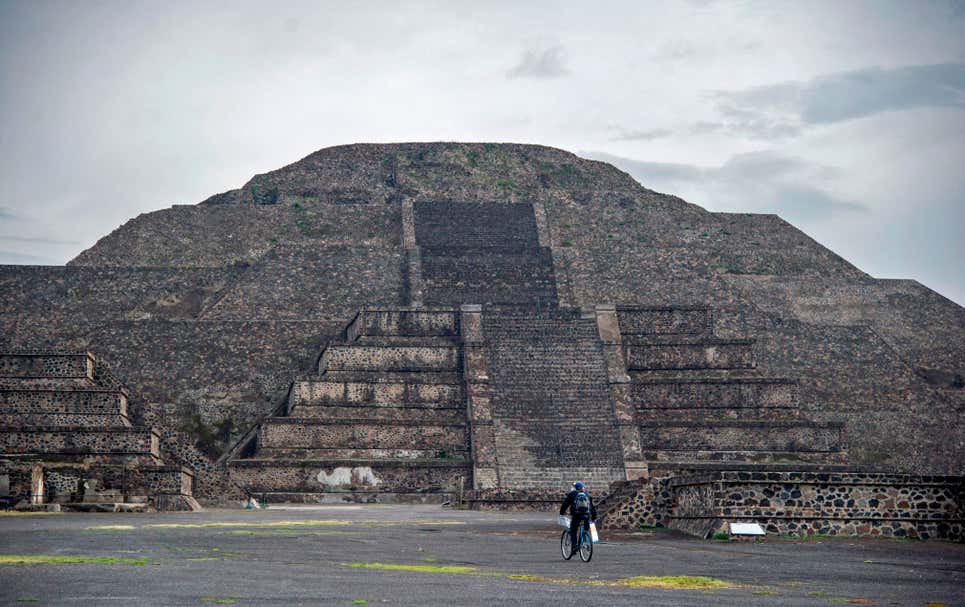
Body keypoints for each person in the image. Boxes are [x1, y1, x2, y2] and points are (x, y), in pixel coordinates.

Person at [559, 481, 597, 554]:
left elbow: (565, 505)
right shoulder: (587, 495)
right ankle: (583, 541)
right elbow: (592, 507)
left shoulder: (572, 494)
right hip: (587, 515)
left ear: (575, 487)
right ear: (582, 487)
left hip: (576, 515)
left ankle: (574, 546)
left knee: (573, 530)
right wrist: (594, 517)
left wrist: (562, 513)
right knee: (585, 529)